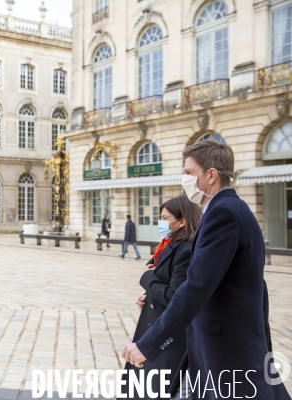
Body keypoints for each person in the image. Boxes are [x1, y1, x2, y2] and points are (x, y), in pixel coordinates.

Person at [122, 140, 291, 399]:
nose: (184, 179)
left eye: (189, 173)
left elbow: (196, 286)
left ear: (211, 175)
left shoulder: (222, 213)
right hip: (224, 340)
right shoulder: (232, 209)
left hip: (225, 347)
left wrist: (148, 343)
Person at [124, 196, 201, 398]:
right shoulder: (167, 244)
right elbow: (164, 284)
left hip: (168, 336)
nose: (162, 222)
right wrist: (148, 296)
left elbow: (175, 296)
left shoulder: (185, 249)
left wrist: (147, 278)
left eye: (166, 217)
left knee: (156, 388)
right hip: (155, 325)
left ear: (182, 221)